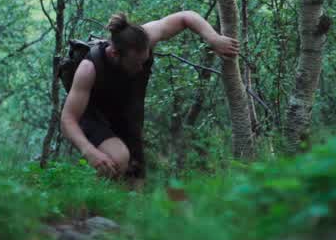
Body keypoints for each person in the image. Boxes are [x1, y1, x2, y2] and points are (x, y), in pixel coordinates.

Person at [60, 10, 239, 179]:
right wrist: (90, 151)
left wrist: (214, 39)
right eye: (136, 63)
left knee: (134, 178)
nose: (141, 68)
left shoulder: (144, 37)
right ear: (115, 54)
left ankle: (115, 209)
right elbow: (68, 119)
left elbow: (186, 17)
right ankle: (90, 203)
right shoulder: (89, 69)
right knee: (118, 159)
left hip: (126, 113)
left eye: (144, 61)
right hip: (92, 114)